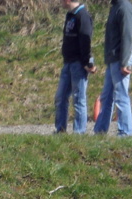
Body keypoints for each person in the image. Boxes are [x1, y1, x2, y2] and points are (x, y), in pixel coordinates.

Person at [93, 0, 132, 136]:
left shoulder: (124, 7)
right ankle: (100, 130)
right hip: (113, 59)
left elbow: (127, 35)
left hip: (121, 57)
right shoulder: (115, 7)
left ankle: (125, 132)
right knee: (106, 96)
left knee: (121, 96)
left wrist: (124, 61)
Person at [54, 1, 96, 134]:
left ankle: (79, 132)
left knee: (79, 99)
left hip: (78, 63)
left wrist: (87, 62)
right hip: (68, 62)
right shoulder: (70, 15)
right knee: (60, 97)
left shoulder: (82, 16)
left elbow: (86, 40)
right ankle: (60, 130)